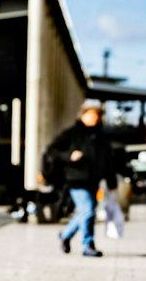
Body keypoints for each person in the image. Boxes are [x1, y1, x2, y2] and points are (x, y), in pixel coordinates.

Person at [44, 101, 107, 258]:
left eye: (97, 115)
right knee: (87, 211)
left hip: (93, 180)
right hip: (76, 179)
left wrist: (110, 180)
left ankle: (65, 234)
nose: (94, 118)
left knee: (86, 211)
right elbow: (52, 151)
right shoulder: (71, 133)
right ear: (83, 114)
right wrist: (69, 156)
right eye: (91, 114)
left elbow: (107, 160)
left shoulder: (100, 136)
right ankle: (88, 245)